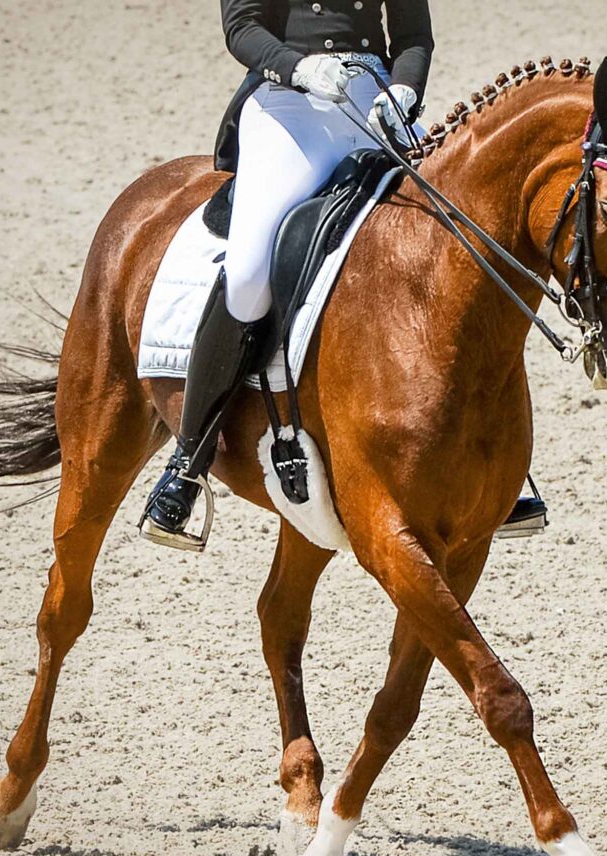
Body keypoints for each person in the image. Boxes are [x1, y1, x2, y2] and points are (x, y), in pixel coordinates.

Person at [140, 0, 434, 548]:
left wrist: (405, 89)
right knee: (250, 275)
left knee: (445, 244)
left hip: (374, 106)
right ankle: (189, 458)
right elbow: (242, 28)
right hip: (289, 105)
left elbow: (414, 34)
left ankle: (490, 461)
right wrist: (299, 68)